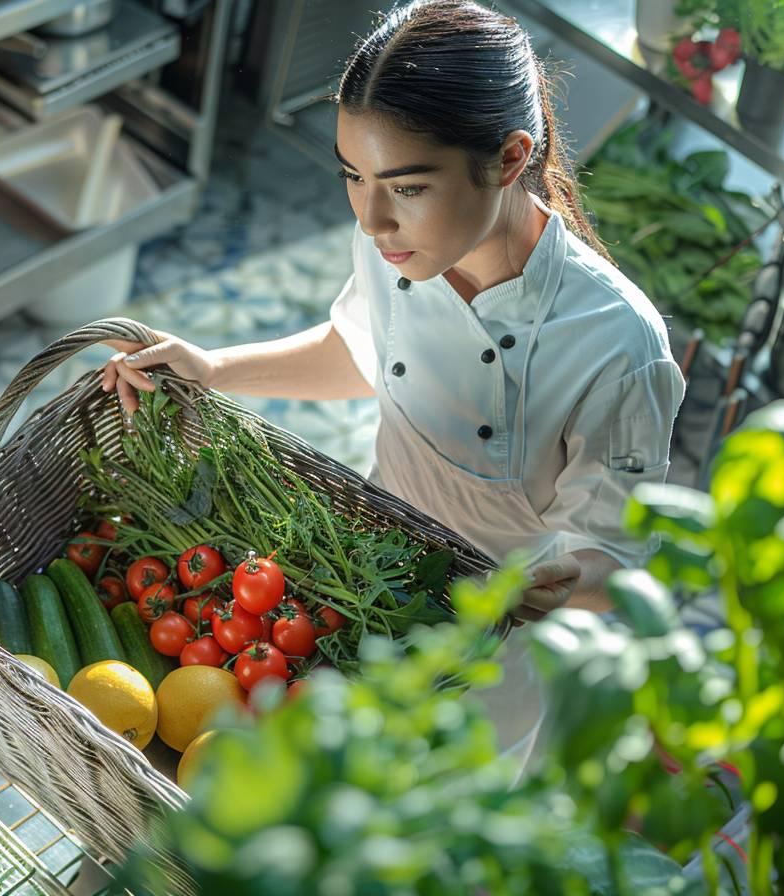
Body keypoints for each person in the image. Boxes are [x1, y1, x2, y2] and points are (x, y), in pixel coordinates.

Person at [100, 0, 684, 619]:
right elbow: (364, 349)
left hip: (496, 643)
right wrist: (215, 369)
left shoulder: (618, 344)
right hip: (369, 570)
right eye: (354, 176)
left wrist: (557, 583)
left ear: (511, 158)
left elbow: (614, 555)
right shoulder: (396, 243)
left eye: (407, 187)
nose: (371, 219)